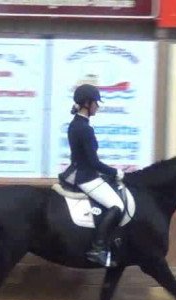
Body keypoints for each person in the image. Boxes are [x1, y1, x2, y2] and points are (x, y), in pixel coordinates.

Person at [62, 83, 125, 267]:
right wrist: (116, 172)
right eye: (96, 102)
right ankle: (98, 248)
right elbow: (93, 162)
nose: (98, 106)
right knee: (117, 205)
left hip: (80, 173)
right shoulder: (85, 129)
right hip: (87, 177)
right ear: (87, 103)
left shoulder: (76, 124)